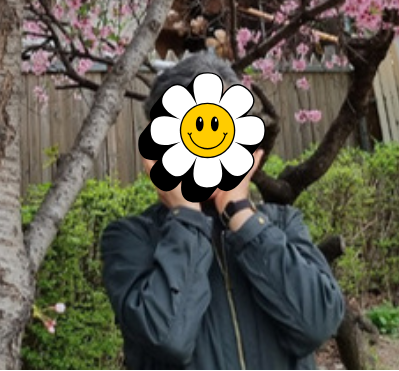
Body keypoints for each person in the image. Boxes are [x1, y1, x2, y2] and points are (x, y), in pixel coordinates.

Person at [101, 54, 345, 369]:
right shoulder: (131, 238)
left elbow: (318, 323)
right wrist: (186, 218)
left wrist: (242, 215)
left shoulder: (282, 224)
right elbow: (168, 338)